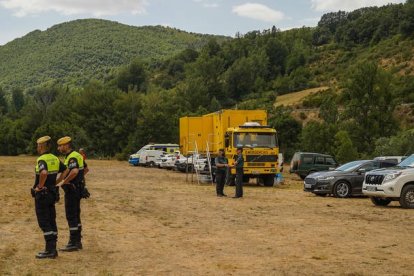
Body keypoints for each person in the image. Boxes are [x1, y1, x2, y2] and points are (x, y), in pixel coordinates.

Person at [32, 136, 66, 259]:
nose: (37, 147)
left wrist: (40, 186)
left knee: (44, 221)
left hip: (43, 195)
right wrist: (57, 182)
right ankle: (53, 249)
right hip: (52, 193)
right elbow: (65, 170)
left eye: (38, 145)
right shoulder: (55, 158)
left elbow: (44, 173)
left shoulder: (41, 159)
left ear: (41, 146)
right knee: (52, 220)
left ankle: (49, 250)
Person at [57, 136, 88, 252]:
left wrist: (66, 182)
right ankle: (78, 241)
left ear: (66, 145)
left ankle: (73, 242)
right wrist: (80, 181)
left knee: (71, 216)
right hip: (78, 188)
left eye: (60, 145)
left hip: (72, 190)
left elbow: (74, 171)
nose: (59, 148)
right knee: (76, 214)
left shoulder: (72, 157)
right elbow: (85, 169)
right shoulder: (76, 155)